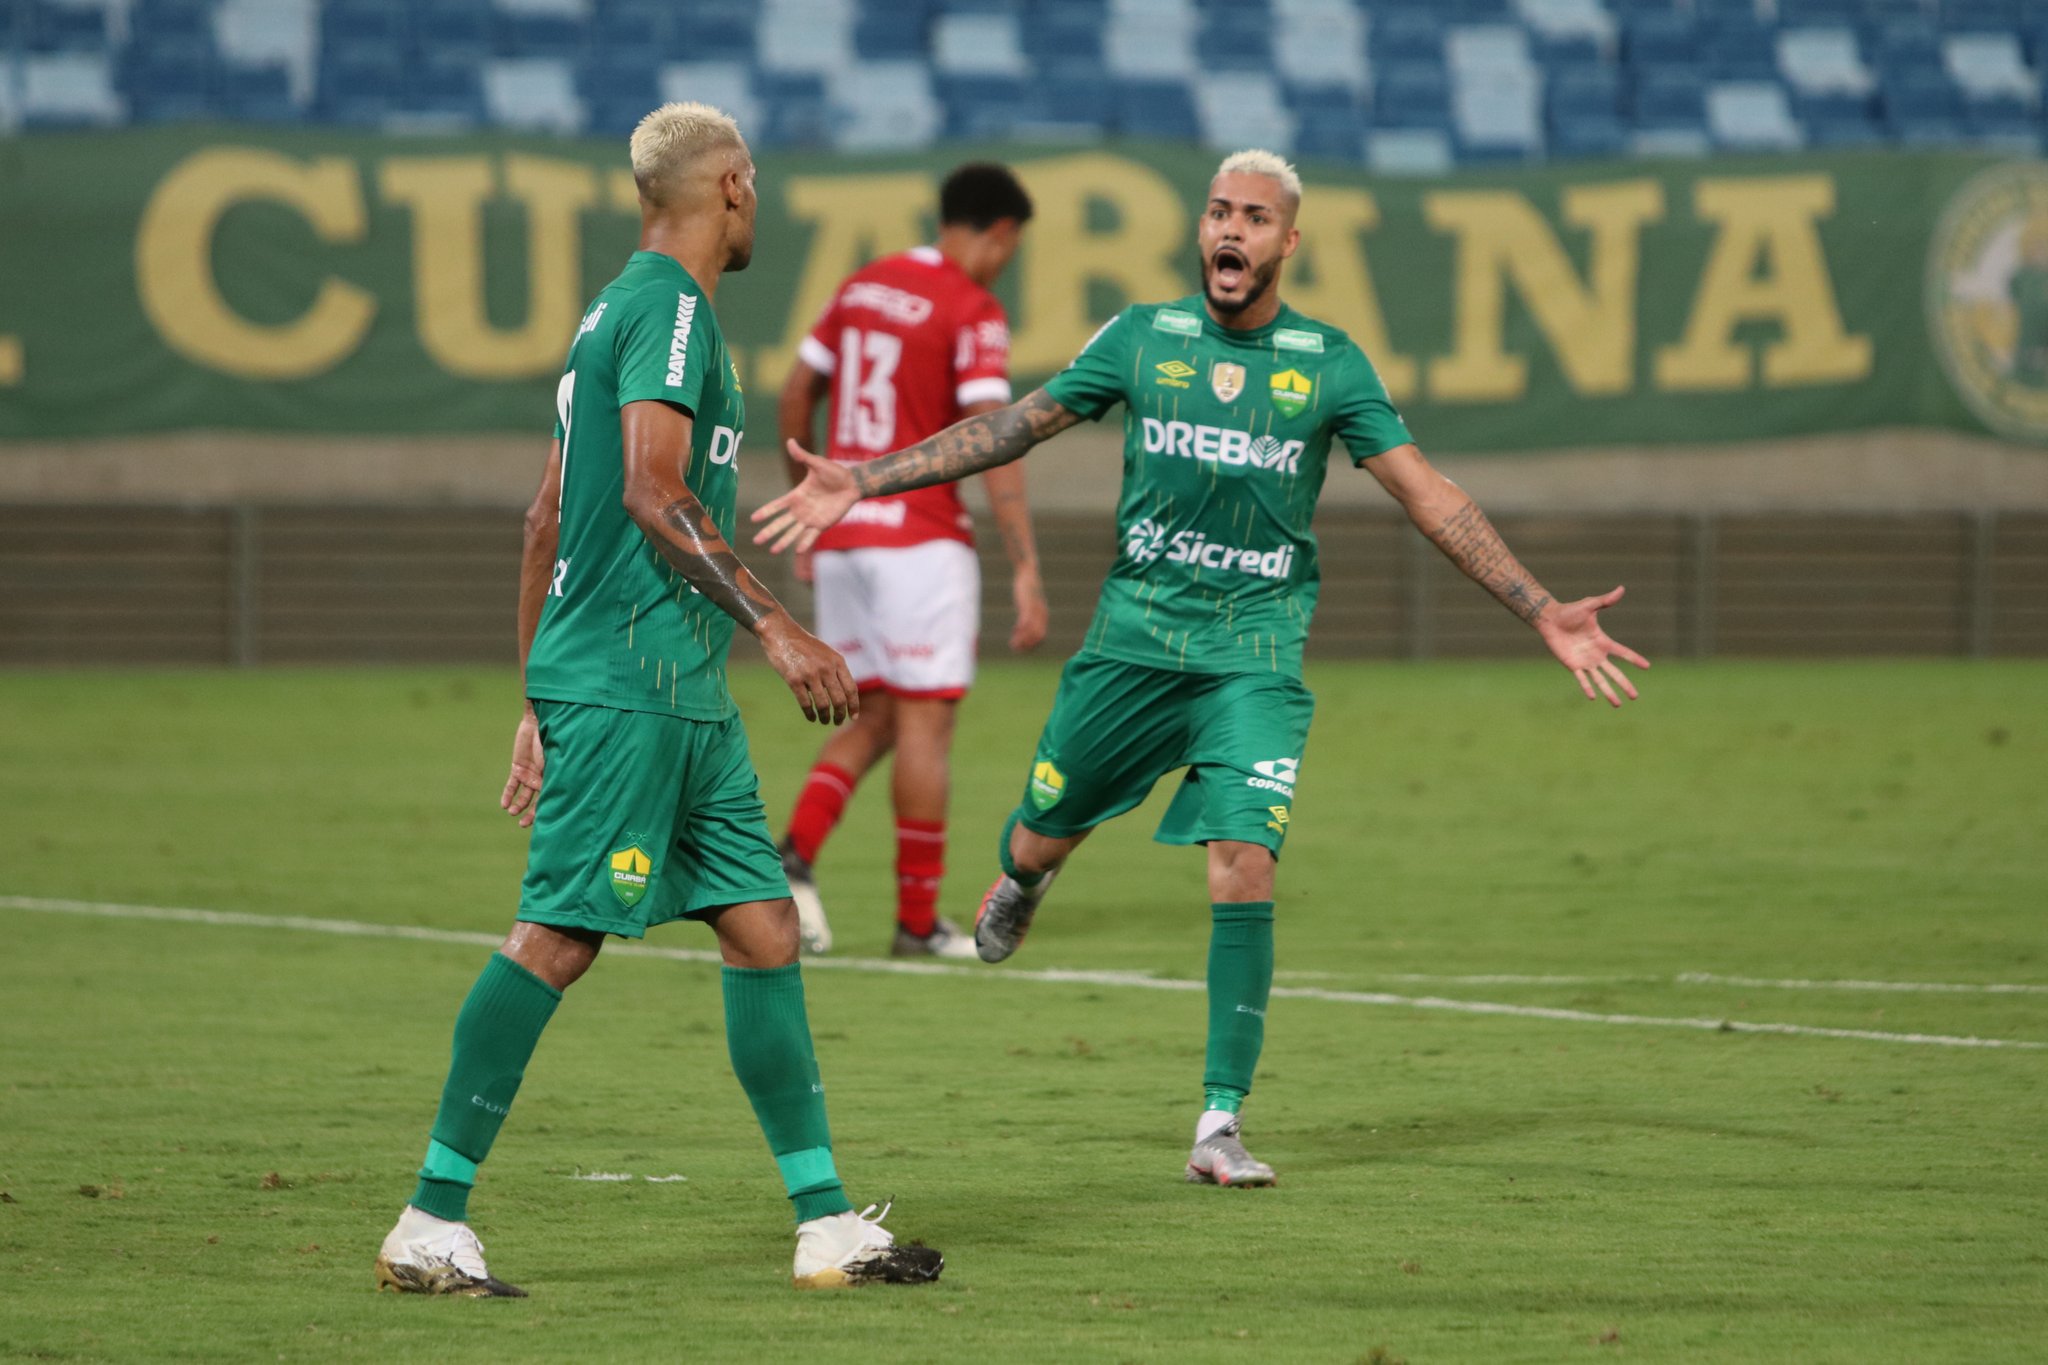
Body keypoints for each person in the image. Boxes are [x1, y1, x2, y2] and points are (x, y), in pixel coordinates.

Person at [753, 149, 1649, 1189]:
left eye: (1254, 218)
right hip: (1132, 645)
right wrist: (862, 476)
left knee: (1244, 858)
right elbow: (1012, 427)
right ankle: (1030, 873)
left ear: (1286, 243)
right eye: (1218, 212)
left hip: (1252, 656)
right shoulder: (1141, 337)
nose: (1231, 231)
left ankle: (1217, 1122)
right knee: (1043, 825)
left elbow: (1428, 495)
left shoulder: (1329, 363)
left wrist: (1540, 609)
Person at [373, 103, 941, 1298]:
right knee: (560, 935)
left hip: (666, 691)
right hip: (634, 684)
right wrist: (777, 623)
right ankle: (430, 1216)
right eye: (758, 183)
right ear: (730, 186)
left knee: (762, 924)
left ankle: (825, 1221)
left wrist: (536, 695)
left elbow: (545, 517)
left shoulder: (616, 315)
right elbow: (646, 488)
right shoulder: (671, 313)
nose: (760, 202)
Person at [775, 162, 1047, 960]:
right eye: (1011, 248)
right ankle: (917, 922)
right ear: (998, 233)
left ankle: (790, 858)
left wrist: (809, 507)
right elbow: (995, 438)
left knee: (878, 715)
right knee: (928, 721)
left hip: (849, 531)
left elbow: (795, 394)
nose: (1006, 263)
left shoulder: (863, 285)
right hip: (920, 539)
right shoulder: (973, 307)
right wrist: (1024, 563)